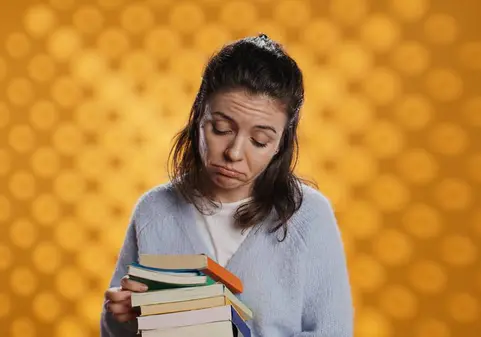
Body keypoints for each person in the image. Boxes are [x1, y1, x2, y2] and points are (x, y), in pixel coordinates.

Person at [100, 34, 353, 337]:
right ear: (198, 118)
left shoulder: (309, 216)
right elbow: (117, 331)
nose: (234, 153)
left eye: (260, 141)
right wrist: (123, 317)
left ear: (280, 144)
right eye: (221, 128)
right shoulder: (154, 211)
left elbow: (333, 332)